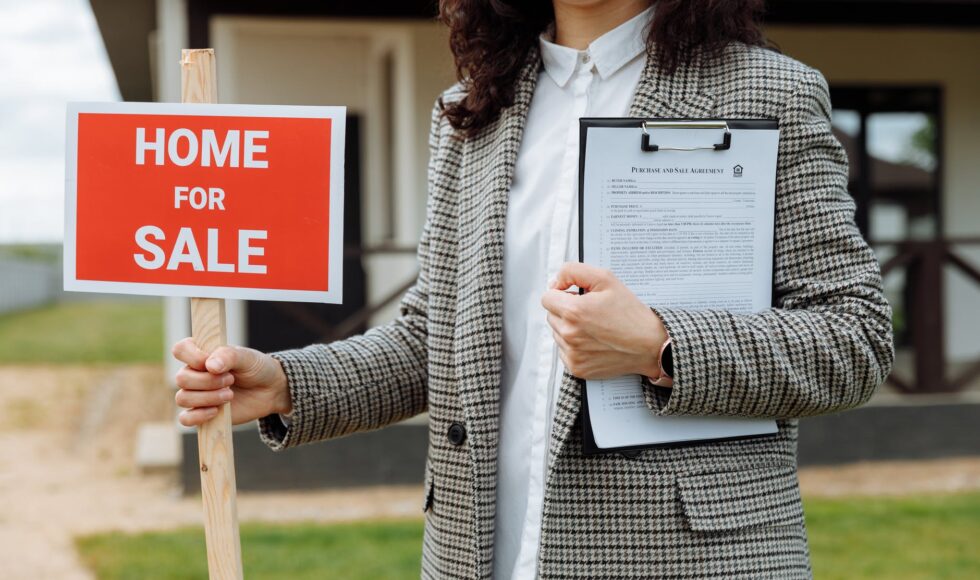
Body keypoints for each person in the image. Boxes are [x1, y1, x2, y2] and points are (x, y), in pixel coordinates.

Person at [171, 0, 894, 578]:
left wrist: (659, 345)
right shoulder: (469, 111)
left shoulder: (769, 91)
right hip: (477, 551)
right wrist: (286, 382)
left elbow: (853, 335)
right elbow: (438, 336)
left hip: (691, 558)